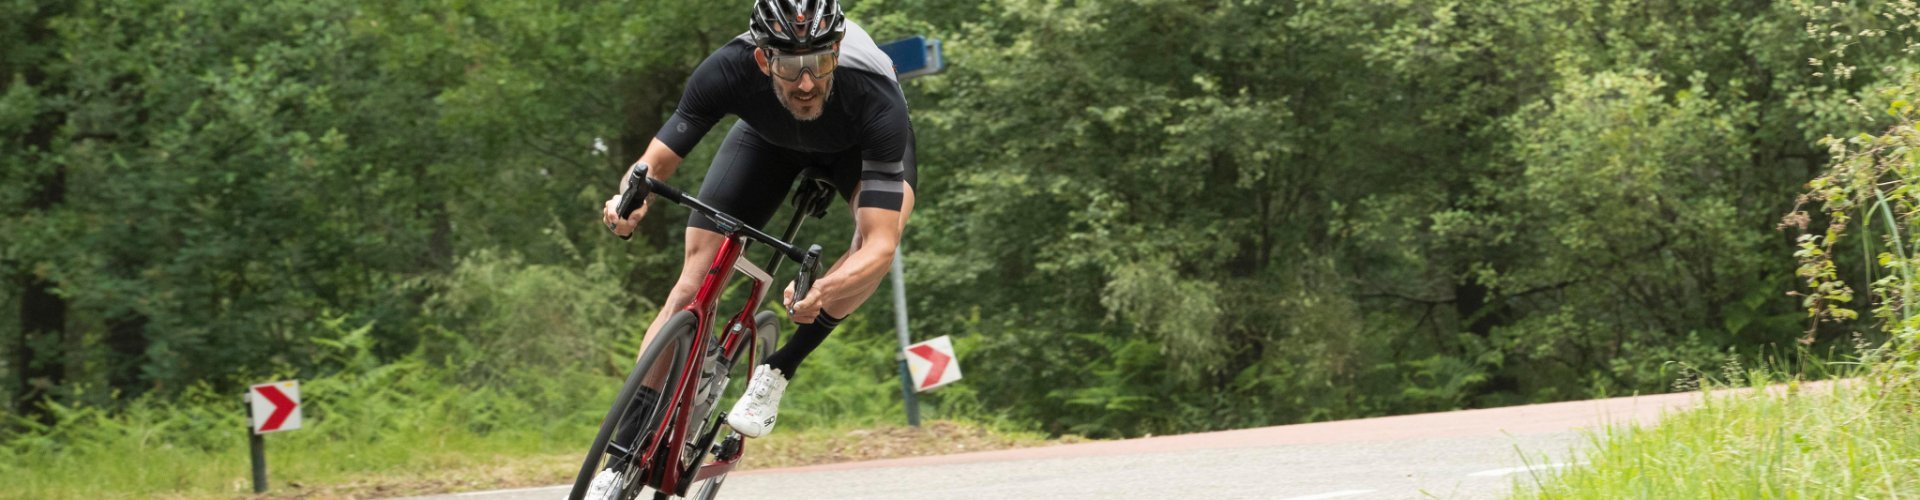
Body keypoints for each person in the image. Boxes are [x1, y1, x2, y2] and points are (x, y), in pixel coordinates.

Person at [600, 0, 916, 439]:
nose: (806, 82)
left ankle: (779, 369)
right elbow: (652, 163)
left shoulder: (875, 95)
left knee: (877, 236)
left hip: (858, 148)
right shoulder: (727, 68)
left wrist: (824, 289)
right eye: (789, 66)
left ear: (838, 52)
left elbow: (881, 246)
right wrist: (629, 200)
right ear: (763, 58)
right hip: (768, 140)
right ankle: (625, 448)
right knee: (690, 286)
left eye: (820, 62)